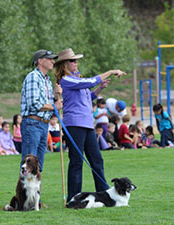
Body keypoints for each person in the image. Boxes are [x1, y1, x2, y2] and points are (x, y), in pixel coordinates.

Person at [54, 48, 126, 202]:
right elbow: (91, 81)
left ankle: (104, 195)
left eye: (76, 60)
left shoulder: (77, 79)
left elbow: (88, 96)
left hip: (87, 124)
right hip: (74, 124)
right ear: (64, 64)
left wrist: (100, 88)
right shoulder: (66, 80)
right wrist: (111, 71)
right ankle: (74, 198)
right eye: (72, 60)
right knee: (77, 161)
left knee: (97, 159)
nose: (76, 63)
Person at [20, 49, 61, 171]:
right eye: (49, 59)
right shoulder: (33, 77)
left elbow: (49, 104)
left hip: (44, 124)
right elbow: (34, 104)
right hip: (32, 124)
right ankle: (24, 190)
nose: (52, 61)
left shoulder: (47, 80)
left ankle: (36, 190)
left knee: (38, 165)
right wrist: (54, 106)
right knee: (28, 163)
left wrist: (55, 95)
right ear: (40, 61)